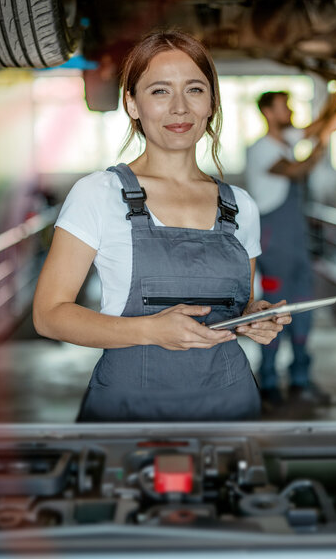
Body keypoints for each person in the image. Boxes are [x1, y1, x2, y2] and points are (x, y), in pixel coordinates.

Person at [32, 30, 290, 422]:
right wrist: (152, 331)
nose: (180, 108)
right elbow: (49, 315)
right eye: (160, 92)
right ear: (133, 105)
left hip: (230, 404)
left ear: (211, 104)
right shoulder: (99, 194)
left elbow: (234, 310)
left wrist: (254, 319)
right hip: (129, 411)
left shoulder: (240, 206)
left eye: (195, 90)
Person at [244, 90, 336, 410]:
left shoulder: (286, 138)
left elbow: (314, 127)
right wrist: (324, 140)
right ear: (268, 113)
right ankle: (269, 383)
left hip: (296, 240)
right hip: (274, 242)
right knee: (273, 311)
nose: (290, 110)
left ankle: (300, 380)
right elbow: (298, 169)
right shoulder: (262, 149)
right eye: (284, 106)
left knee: (303, 308)